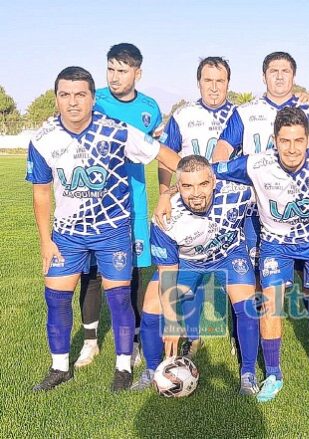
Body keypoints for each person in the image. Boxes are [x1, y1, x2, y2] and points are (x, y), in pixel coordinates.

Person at [173, 107, 309, 402]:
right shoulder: (256, 163)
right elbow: (209, 170)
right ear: (274, 140)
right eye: (285, 141)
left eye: (299, 141)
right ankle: (273, 374)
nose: (292, 149)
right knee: (270, 305)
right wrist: (166, 194)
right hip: (276, 243)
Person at [26, 66, 179, 391]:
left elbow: (163, 154)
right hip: (67, 234)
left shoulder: (118, 131)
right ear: (56, 99)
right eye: (65, 94)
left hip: (112, 232)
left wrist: (197, 179)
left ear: (93, 99)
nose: (72, 102)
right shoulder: (42, 139)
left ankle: (123, 368)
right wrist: (44, 241)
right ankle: (60, 367)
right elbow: (40, 191)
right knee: (55, 298)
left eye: (80, 94)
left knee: (119, 299)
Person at [212, 52, 309, 356]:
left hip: (304, 213)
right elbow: (223, 149)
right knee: (254, 278)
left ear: (294, 75)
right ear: (263, 76)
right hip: (256, 211)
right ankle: (247, 338)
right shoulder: (246, 111)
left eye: (286, 71)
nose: (279, 76)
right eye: (273, 71)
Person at [132, 155, 260, 395]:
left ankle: (248, 374)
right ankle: (152, 370)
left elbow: (267, 178)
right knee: (151, 309)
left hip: (229, 255)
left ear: (213, 181)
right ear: (178, 187)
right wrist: (171, 322)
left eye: (203, 184)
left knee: (247, 308)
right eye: (187, 186)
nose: (196, 193)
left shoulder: (238, 192)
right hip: (188, 263)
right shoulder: (165, 218)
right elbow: (167, 274)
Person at [75, 43, 163, 368]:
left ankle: (136, 342)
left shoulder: (150, 109)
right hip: (93, 205)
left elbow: (157, 152)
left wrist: (165, 194)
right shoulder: (91, 99)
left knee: (136, 273)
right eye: (110, 69)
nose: (114, 76)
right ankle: (90, 342)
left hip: (134, 204)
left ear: (137, 73)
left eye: (122, 70)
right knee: (93, 273)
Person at [145, 56, 237, 362]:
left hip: (230, 208)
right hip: (190, 201)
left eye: (220, 80)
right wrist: (162, 196)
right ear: (199, 82)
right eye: (208, 80)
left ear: (228, 83)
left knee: (243, 273)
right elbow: (165, 158)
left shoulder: (240, 115)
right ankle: (194, 336)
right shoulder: (183, 115)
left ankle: (239, 337)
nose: (214, 87)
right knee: (188, 266)